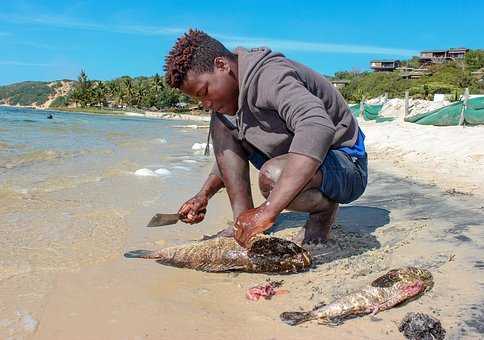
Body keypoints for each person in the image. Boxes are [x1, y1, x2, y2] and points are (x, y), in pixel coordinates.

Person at [164, 29, 368, 248]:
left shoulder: (271, 76)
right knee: (221, 123)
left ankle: (322, 210)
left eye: (204, 92)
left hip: (346, 166)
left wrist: (268, 211)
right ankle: (242, 223)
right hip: (304, 166)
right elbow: (228, 160)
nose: (205, 104)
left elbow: (317, 126)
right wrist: (203, 195)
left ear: (222, 65)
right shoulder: (231, 103)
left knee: (272, 176)